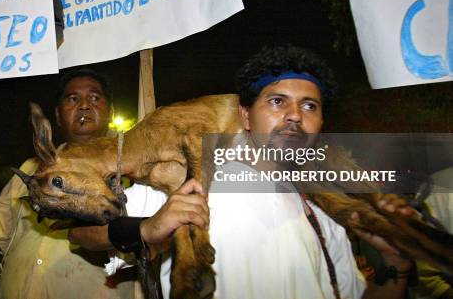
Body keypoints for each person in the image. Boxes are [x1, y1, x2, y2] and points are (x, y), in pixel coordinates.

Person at [73, 45, 418, 299]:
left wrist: (395, 262)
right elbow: (83, 234)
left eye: (309, 106)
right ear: (245, 115)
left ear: (320, 123)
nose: (295, 115)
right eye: (277, 101)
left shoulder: (323, 210)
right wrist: (147, 228)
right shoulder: (186, 180)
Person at [0, 69, 204, 298]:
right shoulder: (32, 170)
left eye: (95, 98)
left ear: (110, 112)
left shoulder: (140, 172)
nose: (84, 105)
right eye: (72, 99)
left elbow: (156, 237)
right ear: (58, 115)